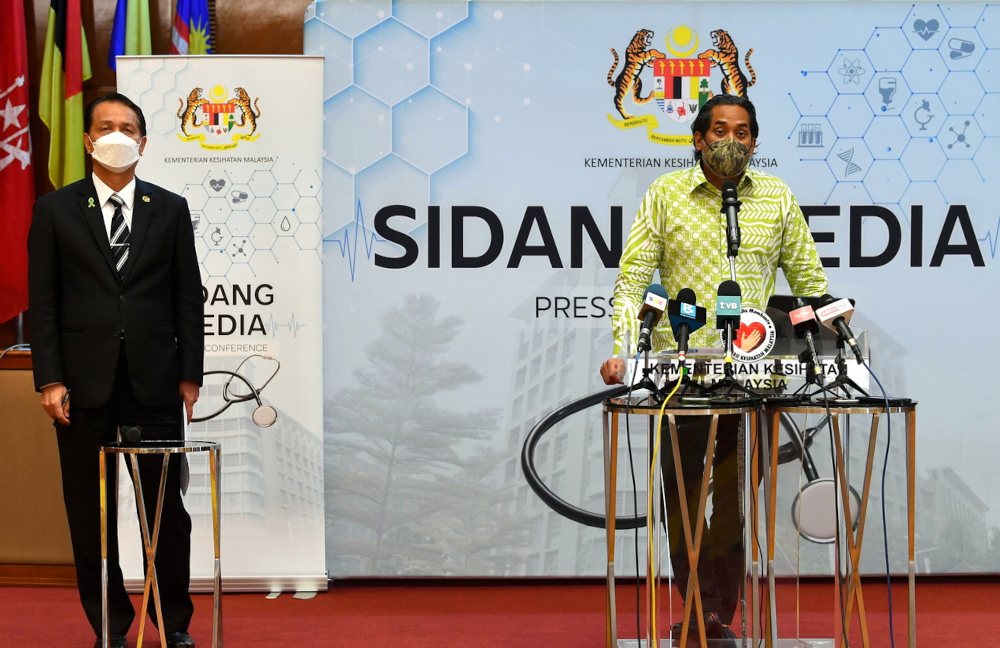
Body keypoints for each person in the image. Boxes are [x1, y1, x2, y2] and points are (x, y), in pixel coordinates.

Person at [599, 94, 828, 642]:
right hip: (679, 376)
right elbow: (633, 282)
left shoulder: (776, 197)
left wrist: (829, 330)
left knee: (733, 499)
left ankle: (717, 615)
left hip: (753, 378)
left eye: (742, 131)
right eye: (719, 130)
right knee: (681, 495)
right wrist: (625, 349)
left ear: (754, 142)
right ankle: (702, 607)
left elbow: (810, 284)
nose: (731, 140)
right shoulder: (666, 194)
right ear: (698, 139)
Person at [28, 93, 203, 648]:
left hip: (155, 383)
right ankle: (110, 626)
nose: (116, 136)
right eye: (105, 127)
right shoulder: (55, 210)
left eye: (127, 127)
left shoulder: (170, 208)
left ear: (143, 142)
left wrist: (190, 375)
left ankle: (173, 623)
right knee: (90, 515)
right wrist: (50, 378)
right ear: (88, 140)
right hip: (82, 388)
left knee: (165, 512)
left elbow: (187, 297)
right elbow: (44, 303)